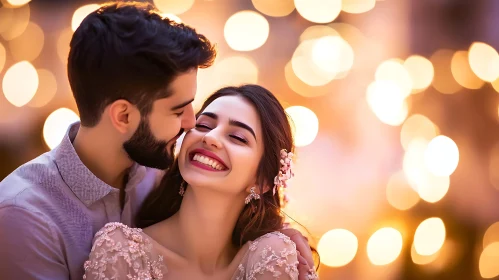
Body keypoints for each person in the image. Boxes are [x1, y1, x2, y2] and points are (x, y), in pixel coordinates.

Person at [0, 2, 315, 279]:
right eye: (179, 110)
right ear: (123, 116)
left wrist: (278, 237)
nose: (192, 125)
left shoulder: (160, 164)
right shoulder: (23, 216)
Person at [83, 84, 320, 280]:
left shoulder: (272, 254)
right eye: (203, 125)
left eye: (237, 137)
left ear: (263, 181)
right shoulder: (121, 250)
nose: (210, 137)